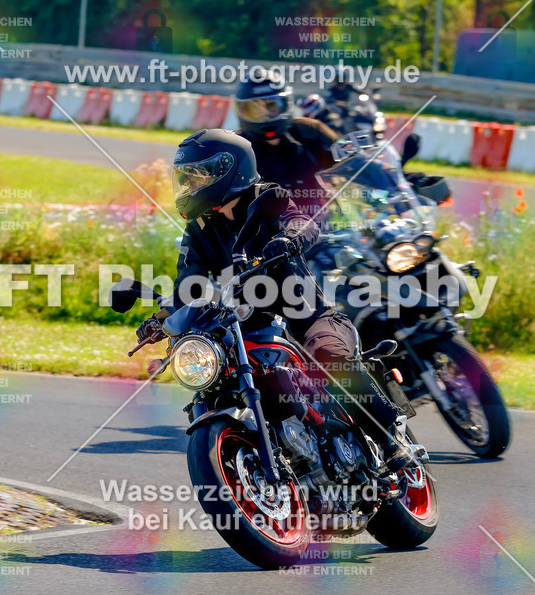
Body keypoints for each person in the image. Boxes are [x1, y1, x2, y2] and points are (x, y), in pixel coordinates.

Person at [137, 128, 414, 472]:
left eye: (197, 177)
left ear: (229, 170)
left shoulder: (268, 197)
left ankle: (389, 436)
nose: (190, 186)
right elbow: (188, 287)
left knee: (328, 354)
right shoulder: (199, 229)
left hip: (307, 317)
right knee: (215, 378)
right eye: (186, 178)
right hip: (246, 328)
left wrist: (289, 238)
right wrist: (161, 321)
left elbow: (302, 223)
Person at [234, 71, 338, 217]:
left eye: (271, 106)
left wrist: (368, 164)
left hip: (322, 223)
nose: (264, 115)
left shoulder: (310, 131)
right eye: (254, 109)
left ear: (285, 104)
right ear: (242, 110)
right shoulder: (235, 150)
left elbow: (349, 163)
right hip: (265, 229)